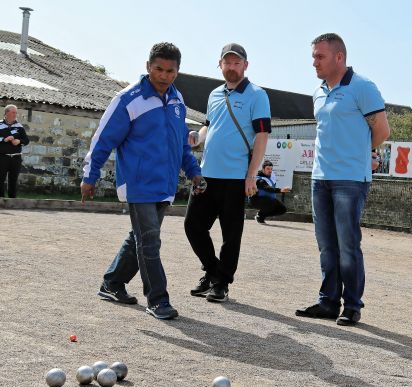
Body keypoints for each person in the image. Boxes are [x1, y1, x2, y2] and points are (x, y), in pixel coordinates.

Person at [81, 42, 203, 320]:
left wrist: (194, 171)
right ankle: (158, 299)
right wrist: (90, 175)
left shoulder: (177, 101)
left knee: (140, 236)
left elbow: (182, 144)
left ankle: (112, 283)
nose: (164, 76)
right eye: (158, 69)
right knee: (150, 241)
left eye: (170, 71)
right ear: (148, 67)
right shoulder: (128, 100)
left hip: (165, 184)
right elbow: (102, 140)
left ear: (177, 71)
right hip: (138, 183)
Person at [295, 33, 390, 326]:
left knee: (348, 245)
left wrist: (360, 156)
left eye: (319, 56)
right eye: (313, 56)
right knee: (326, 245)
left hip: (350, 179)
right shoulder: (318, 92)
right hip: (320, 178)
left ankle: (352, 305)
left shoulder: (362, 87)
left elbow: (382, 131)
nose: (314, 62)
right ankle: (328, 302)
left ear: (339, 57)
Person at [185, 43, 271, 302]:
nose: (231, 67)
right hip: (207, 175)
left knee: (231, 235)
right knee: (193, 226)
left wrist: (251, 174)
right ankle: (213, 272)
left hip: (236, 177)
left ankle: (222, 283)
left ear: (245, 65)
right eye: (227, 62)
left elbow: (262, 136)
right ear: (219, 64)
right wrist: (196, 138)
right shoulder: (214, 95)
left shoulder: (257, 95)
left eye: (236, 62)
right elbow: (208, 127)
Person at [0, 105, 29, 198]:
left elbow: (26, 140)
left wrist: (19, 141)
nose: (15, 114)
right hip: (2, 157)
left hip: (16, 158)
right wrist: (4, 139)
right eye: (13, 112)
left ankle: (12, 201)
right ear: (7, 113)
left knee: (13, 180)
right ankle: (1, 201)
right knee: (0, 179)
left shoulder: (19, 126)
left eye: (16, 112)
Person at [250, 160, 290, 224]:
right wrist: (280, 190)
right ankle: (261, 215)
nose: (270, 170)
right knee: (271, 202)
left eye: (271, 169)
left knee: (282, 209)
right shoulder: (259, 179)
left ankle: (260, 216)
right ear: (263, 169)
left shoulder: (271, 176)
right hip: (256, 200)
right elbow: (267, 188)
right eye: (268, 169)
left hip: (268, 200)